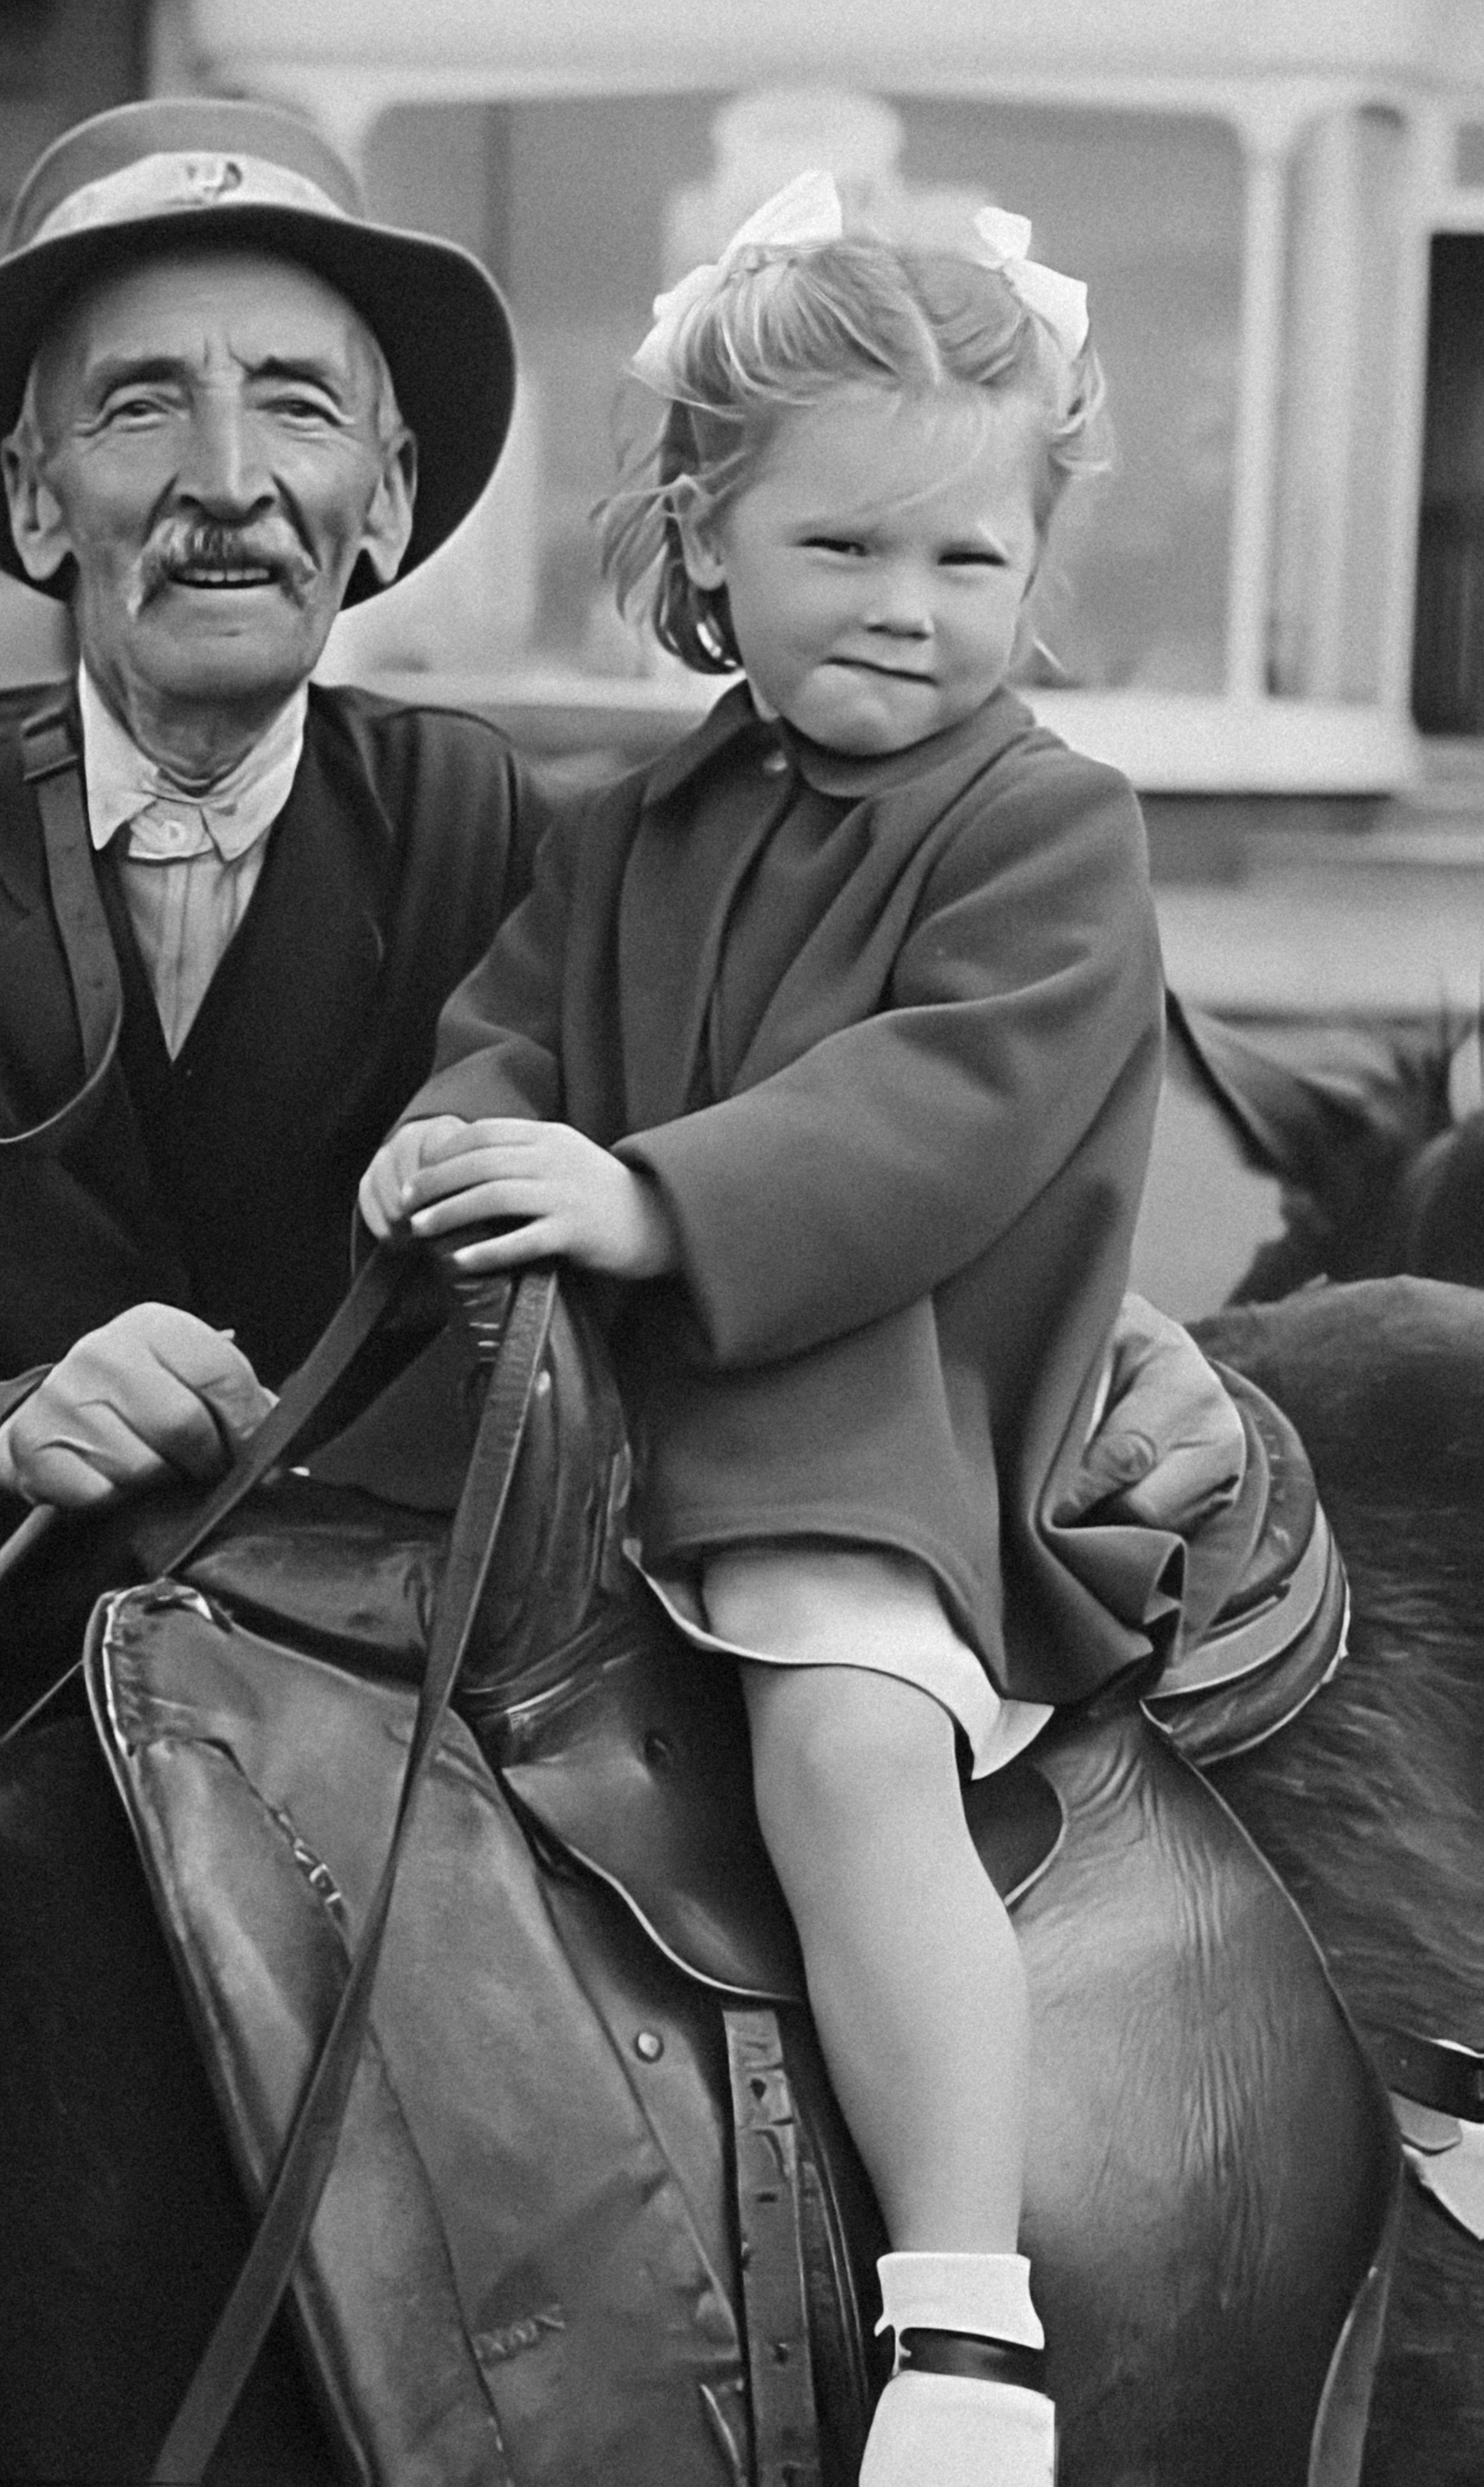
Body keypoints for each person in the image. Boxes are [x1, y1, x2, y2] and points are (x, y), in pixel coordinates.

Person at [0, 98, 1240, 1727]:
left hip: (339, 1744)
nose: (230, 482)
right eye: (139, 409)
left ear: (386, 500)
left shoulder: (533, 849)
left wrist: (1099, 1348)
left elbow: (830, 1152)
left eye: (298, 408)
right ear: (37, 500)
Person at [361, 172, 1193, 2487]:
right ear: (706, 541)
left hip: (880, 1415)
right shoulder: (639, 821)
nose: (909, 612)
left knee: (839, 1741)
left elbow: (946, 1108)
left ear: (1038, 571)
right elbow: (520, 1025)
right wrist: (456, 1130)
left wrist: (647, 1193)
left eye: (969, 562)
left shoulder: (1050, 827)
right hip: (612, 1424)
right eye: (842, 551)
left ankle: (959, 2311)